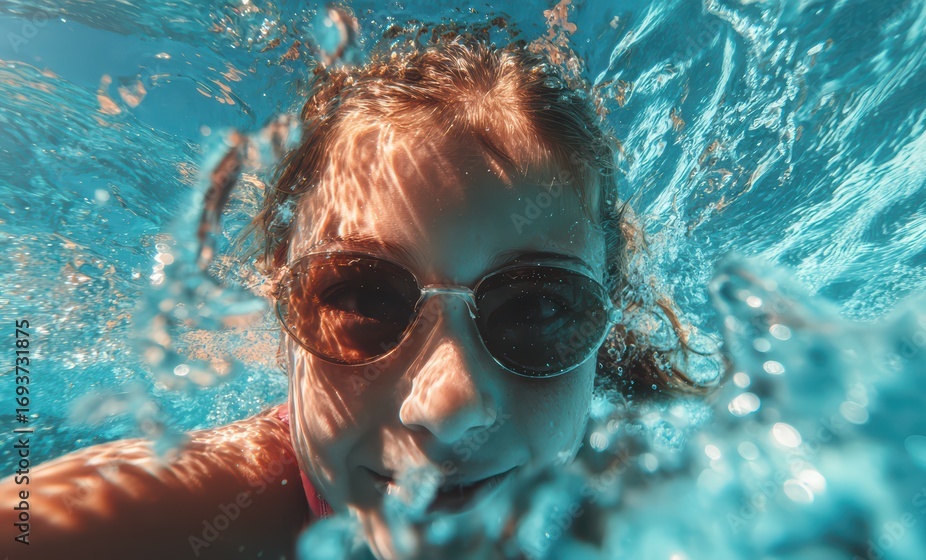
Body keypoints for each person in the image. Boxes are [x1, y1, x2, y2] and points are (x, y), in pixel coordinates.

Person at [1, 31, 714, 560]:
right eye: (363, 296)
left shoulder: (669, 487)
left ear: (608, 321)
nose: (448, 408)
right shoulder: (212, 508)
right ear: (282, 312)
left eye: (538, 306)